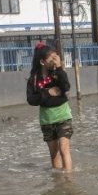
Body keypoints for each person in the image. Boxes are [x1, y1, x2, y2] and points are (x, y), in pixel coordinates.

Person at [26, 42, 73, 171]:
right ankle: (58, 180)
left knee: (64, 150)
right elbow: (31, 99)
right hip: (47, 120)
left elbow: (66, 87)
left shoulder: (58, 74)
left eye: (55, 56)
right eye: (51, 58)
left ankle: (68, 179)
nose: (54, 60)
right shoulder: (34, 79)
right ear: (42, 62)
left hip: (63, 116)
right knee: (54, 153)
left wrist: (59, 69)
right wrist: (48, 92)